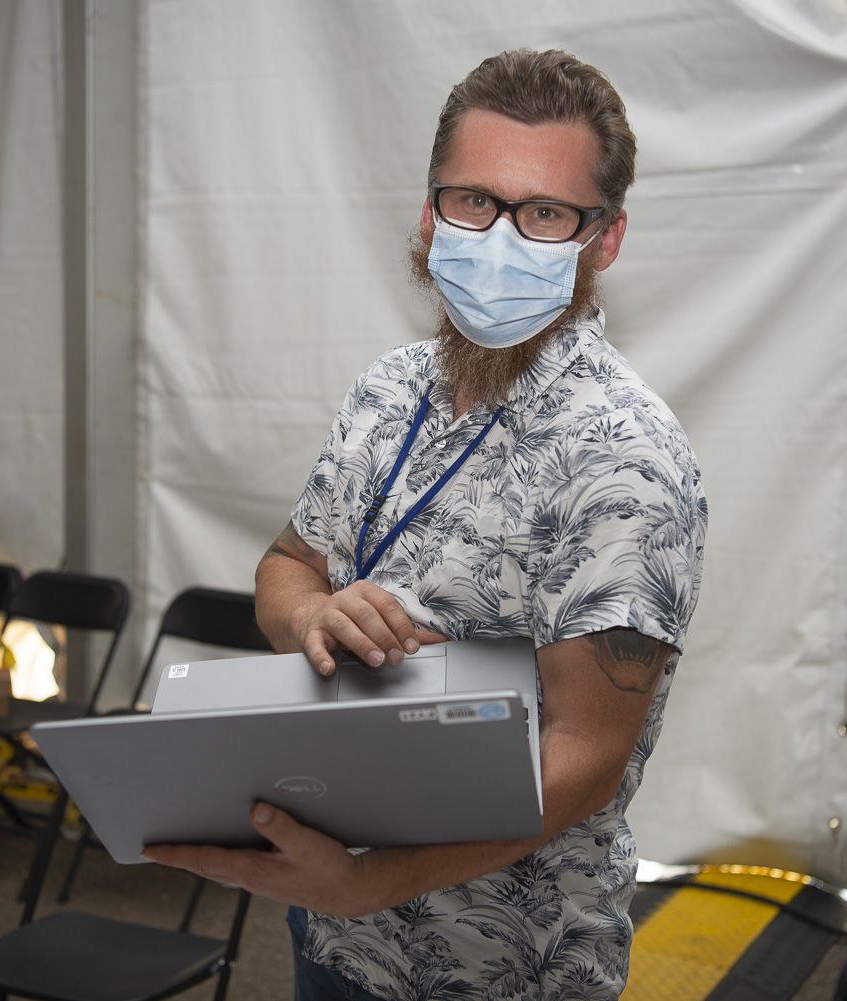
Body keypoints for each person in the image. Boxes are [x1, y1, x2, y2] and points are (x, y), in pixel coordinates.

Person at [143, 48, 708, 1000]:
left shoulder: (626, 457)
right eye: (474, 201)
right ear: (429, 211)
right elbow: (286, 565)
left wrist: (373, 882)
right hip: (333, 920)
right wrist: (310, 617)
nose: (499, 237)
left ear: (602, 240)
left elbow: (586, 758)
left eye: (544, 214)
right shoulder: (389, 388)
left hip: (498, 961)